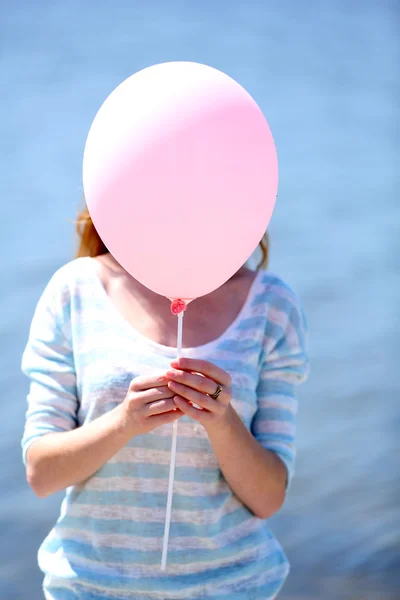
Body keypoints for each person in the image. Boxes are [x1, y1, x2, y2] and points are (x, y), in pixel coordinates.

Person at [21, 204, 309, 600]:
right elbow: (42, 474)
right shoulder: (74, 288)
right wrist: (123, 422)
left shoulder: (271, 303)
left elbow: (269, 497)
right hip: (90, 587)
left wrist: (222, 422)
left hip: (232, 587)